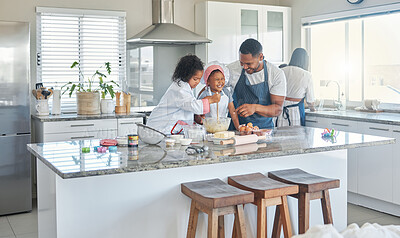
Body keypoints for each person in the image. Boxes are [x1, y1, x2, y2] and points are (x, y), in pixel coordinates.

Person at [146, 55, 221, 134]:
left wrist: (196, 117)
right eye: (195, 79)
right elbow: (192, 105)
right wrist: (210, 100)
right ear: (186, 75)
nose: (198, 82)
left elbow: (186, 107)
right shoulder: (179, 90)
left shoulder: (185, 88)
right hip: (158, 130)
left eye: (199, 79)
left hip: (168, 131)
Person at [227, 38, 286, 129]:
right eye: (241, 63)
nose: (245, 67)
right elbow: (211, 85)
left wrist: (255, 108)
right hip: (236, 130)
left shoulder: (275, 74)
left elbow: (277, 109)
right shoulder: (231, 70)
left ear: (260, 57)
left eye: (249, 64)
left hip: (263, 130)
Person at [275, 48, 315, 127]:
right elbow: (310, 101)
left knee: (280, 137)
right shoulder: (307, 75)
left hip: (279, 112)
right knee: (297, 137)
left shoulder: (281, 71)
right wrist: (313, 109)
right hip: (296, 113)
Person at [197, 62, 240, 130]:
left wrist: (238, 128)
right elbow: (198, 114)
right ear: (208, 81)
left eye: (222, 78)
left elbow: (232, 111)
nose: (220, 82)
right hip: (208, 129)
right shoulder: (205, 94)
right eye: (217, 79)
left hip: (223, 128)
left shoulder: (226, 93)